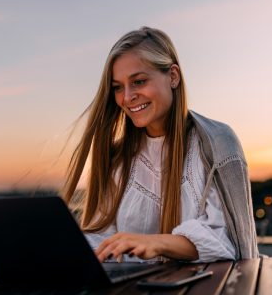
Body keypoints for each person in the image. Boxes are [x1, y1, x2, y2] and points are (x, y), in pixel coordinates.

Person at [63, 27, 258, 263]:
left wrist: (156, 243)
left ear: (173, 76)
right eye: (117, 87)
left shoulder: (217, 143)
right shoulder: (119, 157)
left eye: (139, 81)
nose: (127, 97)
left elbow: (225, 240)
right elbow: (104, 240)